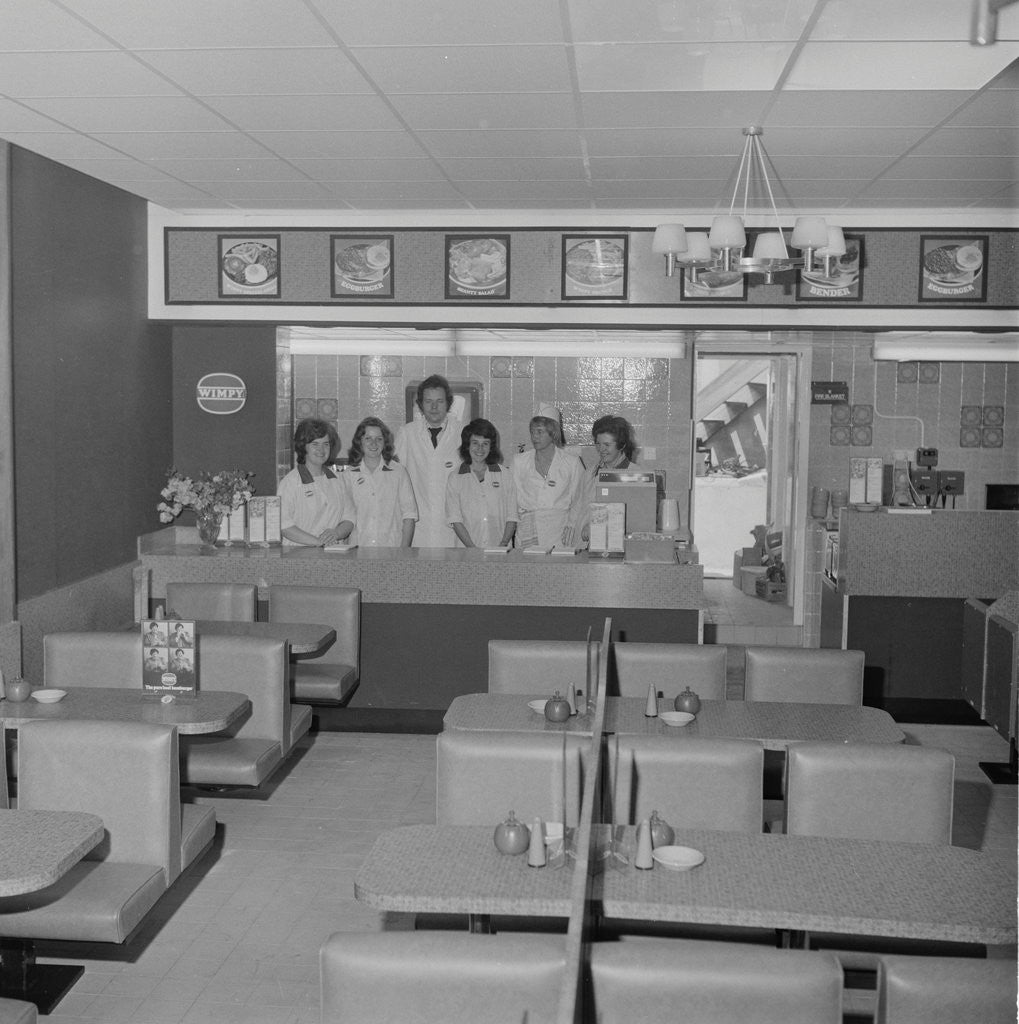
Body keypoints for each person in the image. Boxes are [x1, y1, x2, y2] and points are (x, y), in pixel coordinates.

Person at [394, 374, 461, 547]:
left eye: (439, 401)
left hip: (454, 528)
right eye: (428, 401)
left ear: (448, 403)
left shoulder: (462, 434)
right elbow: (396, 479)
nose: (434, 407)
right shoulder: (407, 433)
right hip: (418, 529)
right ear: (420, 404)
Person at [510, 408, 585, 550]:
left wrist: (572, 523)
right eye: (532, 432)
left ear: (553, 434)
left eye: (540, 432)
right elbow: (512, 498)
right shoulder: (519, 461)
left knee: (558, 570)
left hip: (560, 531)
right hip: (527, 530)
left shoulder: (572, 462)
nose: (534, 437)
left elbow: (579, 498)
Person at [343, 417, 417, 547]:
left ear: (385, 442)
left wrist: (404, 551)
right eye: (368, 438)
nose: (374, 443)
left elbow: (409, 515)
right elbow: (344, 517)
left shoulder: (398, 472)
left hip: (392, 549)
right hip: (358, 549)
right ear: (359, 442)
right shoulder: (348, 475)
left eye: (379, 439)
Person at [278, 418, 353, 547]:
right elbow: (284, 525)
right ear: (303, 447)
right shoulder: (290, 483)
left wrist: (336, 533)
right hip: (298, 557)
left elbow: (350, 518)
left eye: (326, 444)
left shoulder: (337, 480)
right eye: (315, 444)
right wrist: (318, 542)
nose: (321, 450)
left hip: (333, 554)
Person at [445, 418, 517, 549]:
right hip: (466, 552)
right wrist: (473, 549)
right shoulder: (455, 477)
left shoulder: (504, 474)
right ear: (467, 445)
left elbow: (512, 516)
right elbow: (455, 520)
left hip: (500, 550)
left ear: (491, 447)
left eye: (485, 443)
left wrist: (503, 544)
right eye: (475, 443)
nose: (480, 448)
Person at [581, 415, 637, 543]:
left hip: (626, 545)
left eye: (607, 444)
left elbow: (639, 516)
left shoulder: (637, 474)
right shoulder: (591, 474)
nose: (601, 450)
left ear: (622, 445)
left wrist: (596, 526)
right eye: (598, 444)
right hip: (593, 545)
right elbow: (583, 508)